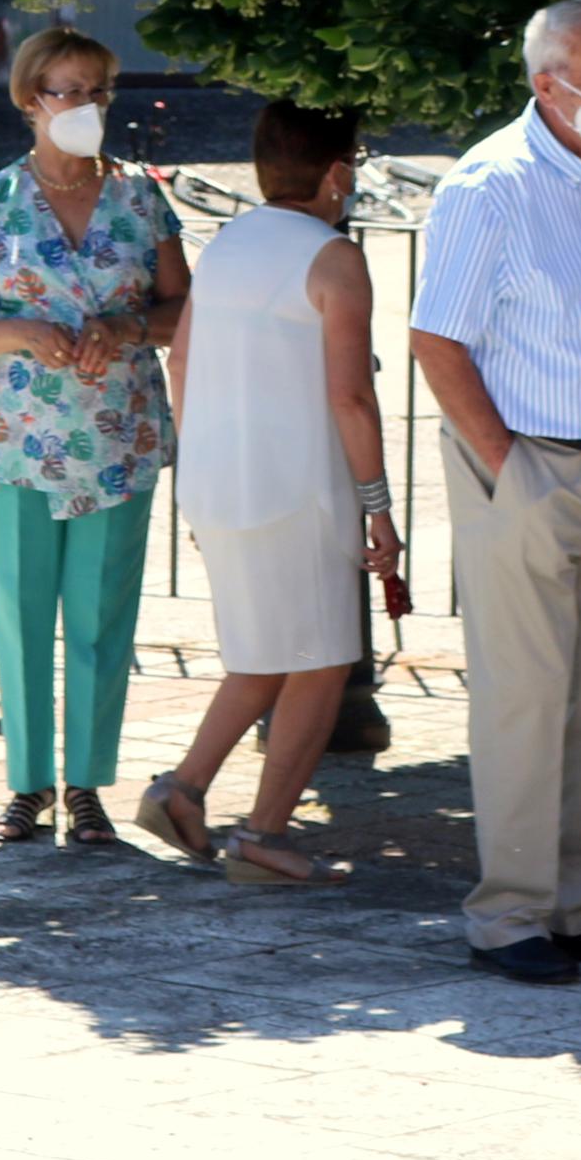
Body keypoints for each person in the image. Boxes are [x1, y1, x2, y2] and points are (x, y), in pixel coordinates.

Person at [410, 0, 581, 985]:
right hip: (529, 464)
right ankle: (509, 915)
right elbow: (437, 340)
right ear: (545, 83)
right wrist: (506, 470)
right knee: (524, 698)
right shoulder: (488, 185)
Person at [0, 25, 192, 846]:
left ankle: (86, 785)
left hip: (118, 437)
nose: (84, 104)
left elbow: (182, 310)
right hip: (16, 438)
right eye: (67, 89)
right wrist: (21, 330)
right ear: (30, 100)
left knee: (101, 614)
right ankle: (26, 784)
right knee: (20, 611)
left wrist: (125, 323)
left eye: (97, 89)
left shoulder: (142, 196)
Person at [135, 100, 398, 883]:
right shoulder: (333, 256)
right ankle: (262, 833)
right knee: (320, 659)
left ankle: (182, 789)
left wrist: (203, 461)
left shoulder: (226, 244)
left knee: (260, 656)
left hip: (218, 478)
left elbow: (180, 364)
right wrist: (379, 506)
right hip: (300, 487)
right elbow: (352, 397)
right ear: (338, 172)